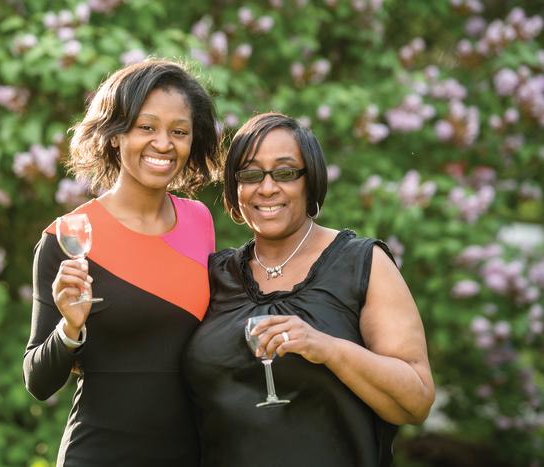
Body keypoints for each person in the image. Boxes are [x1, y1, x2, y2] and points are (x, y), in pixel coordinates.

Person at [183, 112, 435, 467]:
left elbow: (417, 400)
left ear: (310, 180)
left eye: (285, 173)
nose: (267, 187)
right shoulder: (214, 274)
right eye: (251, 174)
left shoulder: (362, 262)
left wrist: (327, 348)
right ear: (234, 187)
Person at [23, 59, 220, 466]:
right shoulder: (68, 235)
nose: (164, 143)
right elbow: (38, 381)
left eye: (178, 131)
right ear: (115, 136)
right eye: (146, 127)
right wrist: (70, 327)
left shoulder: (200, 221)